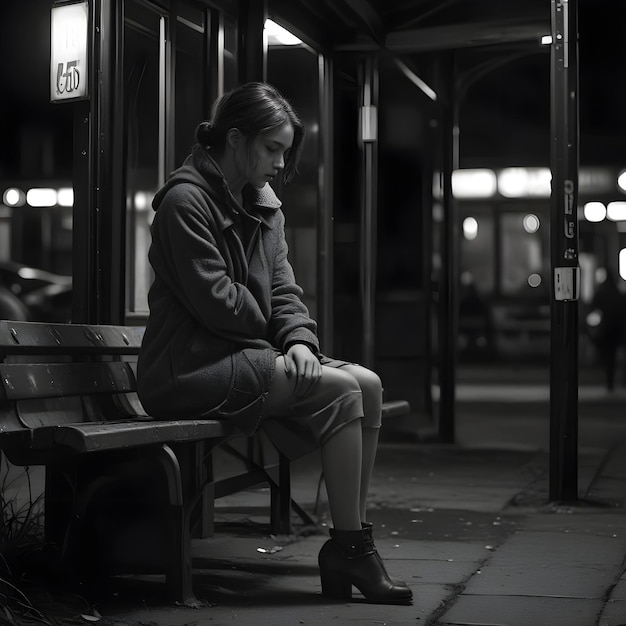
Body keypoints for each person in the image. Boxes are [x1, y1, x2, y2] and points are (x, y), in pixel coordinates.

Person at [137, 82, 412, 605]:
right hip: (185, 367)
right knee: (341, 391)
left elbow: (283, 288)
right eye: (273, 149)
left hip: (239, 355)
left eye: (286, 152)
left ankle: (349, 544)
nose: (281, 165)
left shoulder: (264, 204)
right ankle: (351, 550)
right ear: (235, 139)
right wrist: (279, 335)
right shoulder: (183, 201)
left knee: (369, 385)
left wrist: (301, 342)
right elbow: (217, 302)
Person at [589, 268, 626, 391]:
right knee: (615, 354)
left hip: (606, 328)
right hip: (617, 328)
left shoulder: (601, 293)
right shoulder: (618, 293)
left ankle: (609, 380)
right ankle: (616, 380)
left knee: (608, 355)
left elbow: (593, 308)